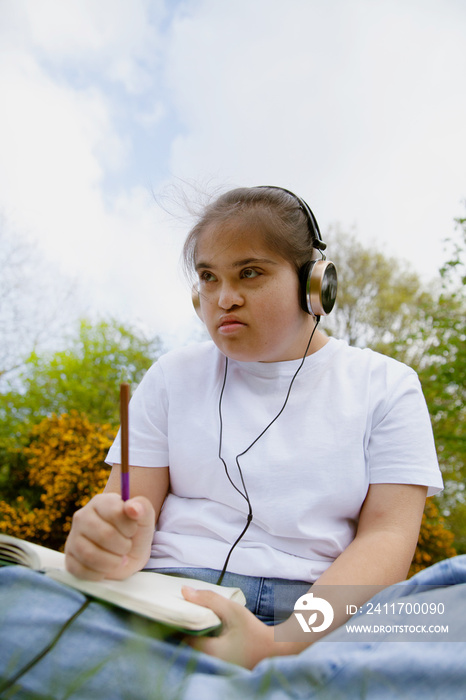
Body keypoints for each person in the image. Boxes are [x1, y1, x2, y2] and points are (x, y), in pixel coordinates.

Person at [63, 185, 443, 669]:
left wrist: (287, 641)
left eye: (250, 273)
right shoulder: (169, 376)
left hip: (313, 612)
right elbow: (124, 504)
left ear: (314, 285)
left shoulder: (389, 385)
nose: (224, 298)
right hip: (166, 592)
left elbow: (387, 537)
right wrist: (103, 538)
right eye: (208, 277)